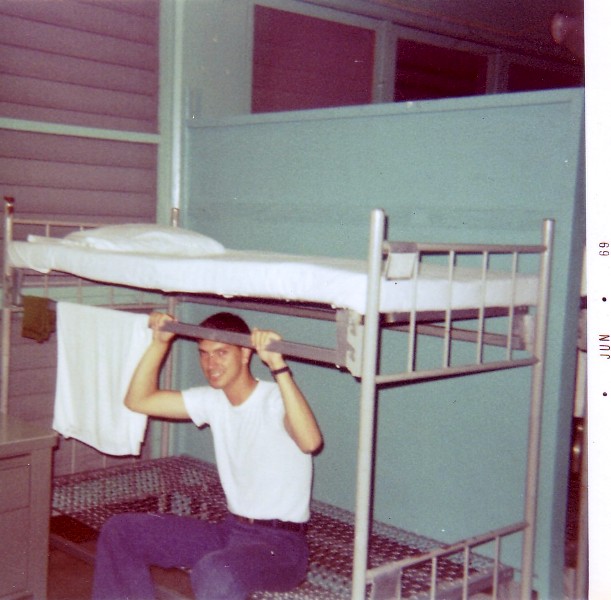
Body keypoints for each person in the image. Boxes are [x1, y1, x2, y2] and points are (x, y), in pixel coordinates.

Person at [91, 311, 323, 600]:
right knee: (121, 532)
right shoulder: (213, 400)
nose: (210, 364)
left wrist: (278, 365)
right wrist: (160, 343)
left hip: (281, 547)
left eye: (221, 353)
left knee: (214, 570)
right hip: (231, 531)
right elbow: (138, 400)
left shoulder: (276, 399)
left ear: (245, 354)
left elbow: (310, 441)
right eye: (204, 354)